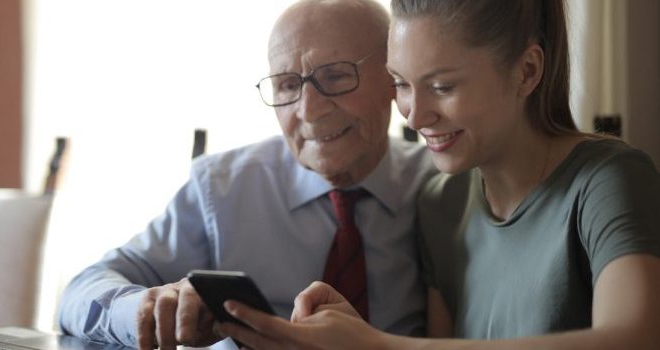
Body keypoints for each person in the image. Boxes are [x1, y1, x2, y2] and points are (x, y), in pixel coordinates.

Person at [218, 0, 660, 349]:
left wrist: (380, 346)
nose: (413, 117)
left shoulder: (608, 179)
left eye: (442, 86)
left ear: (527, 71)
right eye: (402, 84)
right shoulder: (440, 202)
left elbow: (634, 341)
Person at [58, 1, 436, 349]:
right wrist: (148, 307)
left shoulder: (442, 189)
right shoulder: (222, 190)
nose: (309, 110)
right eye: (288, 85)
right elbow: (80, 292)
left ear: (394, 80)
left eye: (336, 77)